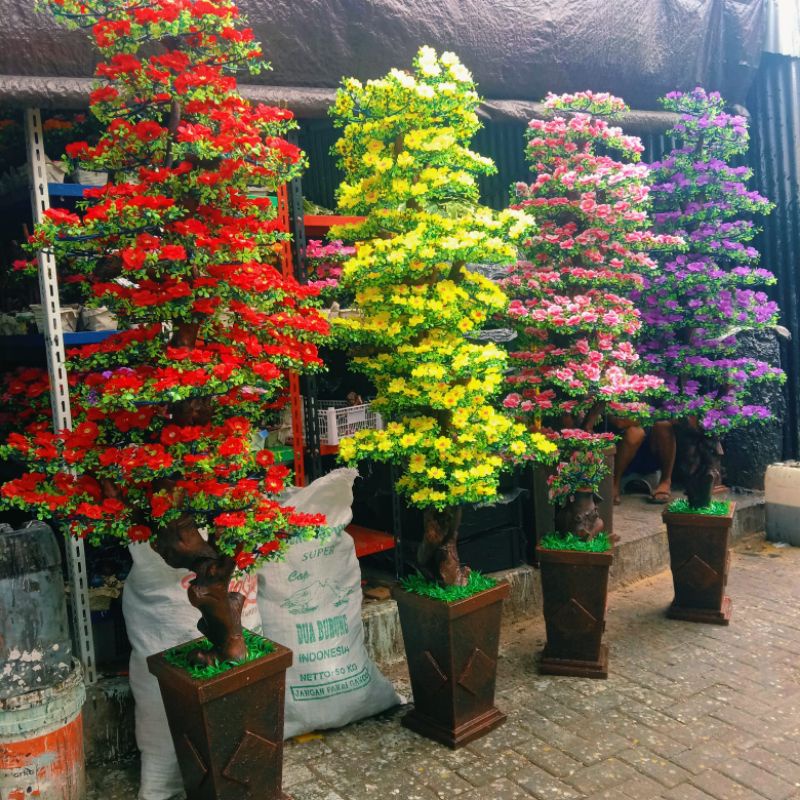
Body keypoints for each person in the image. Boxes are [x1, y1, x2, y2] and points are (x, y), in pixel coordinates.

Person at [611, 418, 676, 505]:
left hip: (652, 451)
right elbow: (617, 421)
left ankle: (665, 481)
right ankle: (614, 483)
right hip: (622, 445)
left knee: (664, 425)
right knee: (635, 432)